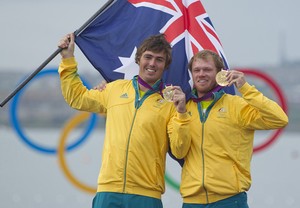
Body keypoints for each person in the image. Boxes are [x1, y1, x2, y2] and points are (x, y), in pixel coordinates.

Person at [57, 33, 191, 208]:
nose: (152, 63)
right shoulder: (115, 89)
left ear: (165, 65)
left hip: (146, 194)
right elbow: (77, 98)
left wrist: (181, 112)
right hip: (108, 190)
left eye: (159, 59)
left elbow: (180, 150)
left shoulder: (171, 102)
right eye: (148, 57)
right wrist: (68, 59)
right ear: (138, 59)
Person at [169, 49, 289, 208]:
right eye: (197, 70)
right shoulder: (181, 109)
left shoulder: (236, 106)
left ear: (220, 73)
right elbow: (179, 151)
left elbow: (279, 119)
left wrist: (245, 88)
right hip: (192, 201)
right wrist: (182, 114)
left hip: (229, 200)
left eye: (207, 69)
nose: (201, 74)